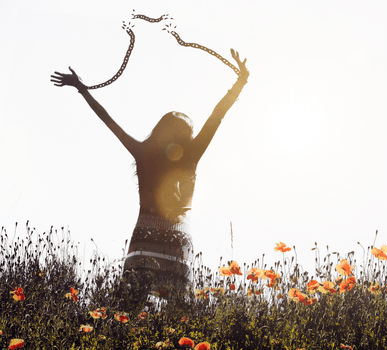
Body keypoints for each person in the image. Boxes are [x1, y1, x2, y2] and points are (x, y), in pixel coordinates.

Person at [51, 49, 249, 287]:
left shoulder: (143, 154)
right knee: (178, 314)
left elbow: (108, 121)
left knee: (129, 306)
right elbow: (217, 116)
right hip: (178, 240)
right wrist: (241, 81)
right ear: (187, 135)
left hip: (144, 239)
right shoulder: (191, 157)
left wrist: (82, 89)